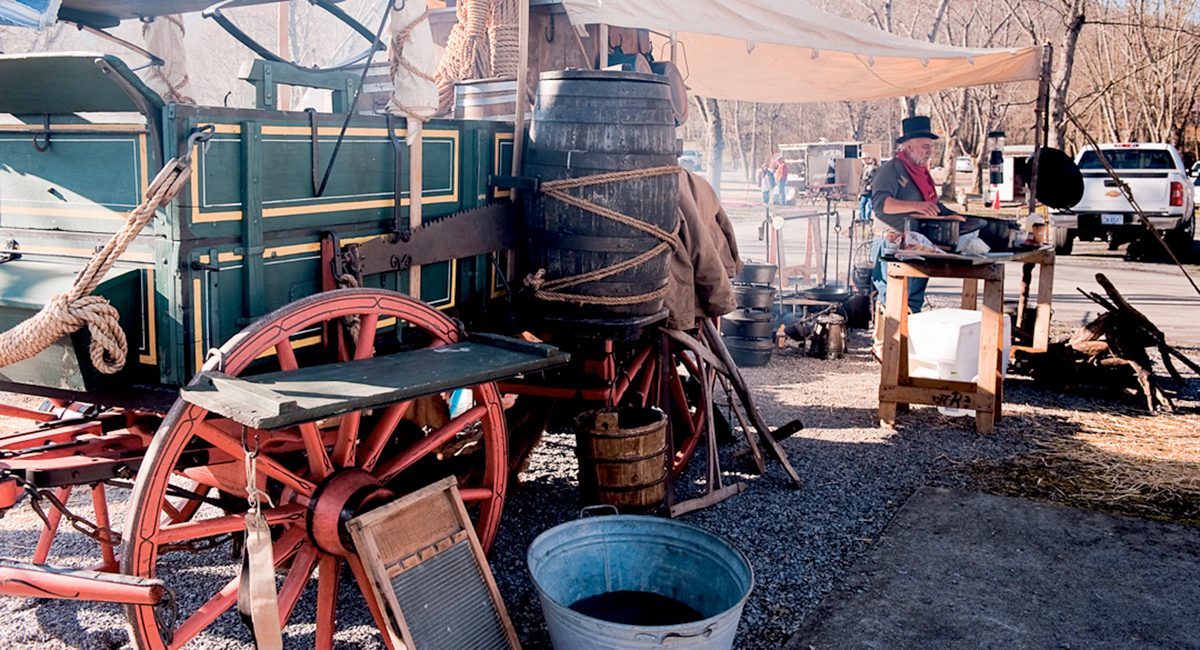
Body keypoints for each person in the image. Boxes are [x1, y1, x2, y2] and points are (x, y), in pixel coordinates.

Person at [870, 116, 964, 347]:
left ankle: (906, 348)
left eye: (931, 147)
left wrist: (953, 216)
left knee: (913, 299)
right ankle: (885, 348)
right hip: (891, 244)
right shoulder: (891, 169)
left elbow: (932, 205)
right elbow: (880, 205)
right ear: (908, 146)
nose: (929, 152)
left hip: (915, 245)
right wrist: (917, 206)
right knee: (891, 299)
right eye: (925, 147)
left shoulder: (921, 173)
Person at [858, 156, 877, 222]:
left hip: (869, 190)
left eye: (865, 159)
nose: (864, 161)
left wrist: (871, 186)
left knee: (870, 205)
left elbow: (874, 178)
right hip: (864, 189)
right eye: (863, 159)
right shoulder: (863, 168)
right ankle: (863, 219)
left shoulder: (871, 168)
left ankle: (869, 218)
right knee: (862, 205)